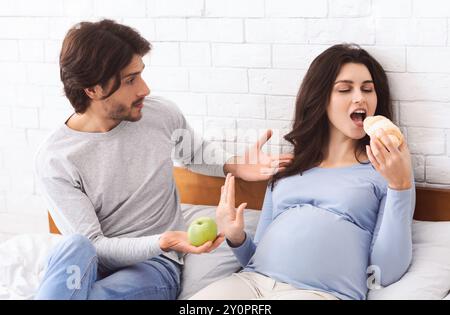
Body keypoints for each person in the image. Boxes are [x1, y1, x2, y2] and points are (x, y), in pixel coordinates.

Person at [33, 19, 293, 300]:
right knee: (73, 246)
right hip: (92, 263)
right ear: (92, 90)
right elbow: (93, 245)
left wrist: (235, 165)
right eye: (130, 80)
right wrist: (165, 239)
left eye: (140, 74)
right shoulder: (55, 159)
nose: (144, 89)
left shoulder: (159, 115)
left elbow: (193, 153)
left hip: (152, 264)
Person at [190, 44, 416, 300]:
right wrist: (236, 237)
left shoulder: (389, 171)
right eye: (344, 89)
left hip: (318, 294)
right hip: (251, 283)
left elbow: (385, 272)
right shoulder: (288, 168)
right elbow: (256, 257)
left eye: (367, 89)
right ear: (320, 98)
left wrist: (400, 187)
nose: (359, 97)